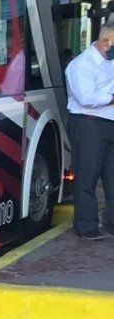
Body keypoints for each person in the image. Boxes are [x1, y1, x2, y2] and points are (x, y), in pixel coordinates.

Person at [64, 19, 114, 240]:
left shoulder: (110, 62)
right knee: (87, 177)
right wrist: (112, 98)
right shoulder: (80, 65)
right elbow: (86, 98)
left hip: (109, 123)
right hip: (89, 124)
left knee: (112, 177)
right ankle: (87, 226)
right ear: (107, 42)